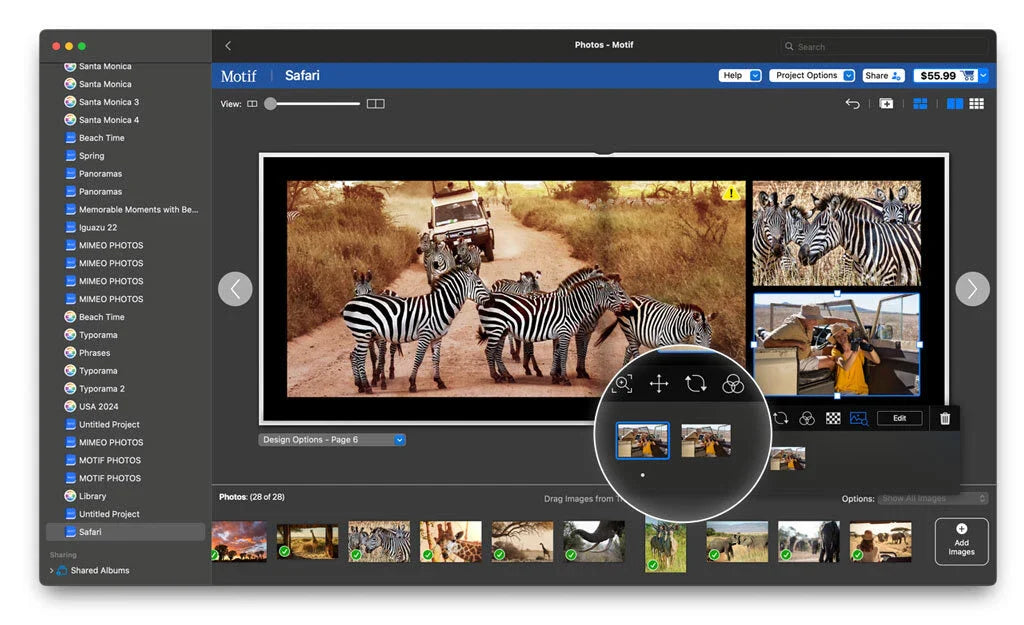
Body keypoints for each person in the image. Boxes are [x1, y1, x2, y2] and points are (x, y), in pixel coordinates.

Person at [763, 305, 855, 373]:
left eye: (816, 319)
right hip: (798, 361)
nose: (816, 323)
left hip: (806, 352)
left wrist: (846, 321)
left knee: (829, 349)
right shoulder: (791, 327)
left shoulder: (809, 320)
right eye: (814, 320)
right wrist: (797, 343)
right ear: (804, 318)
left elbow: (826, 320)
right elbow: (767, 342)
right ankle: (829, 387)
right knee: (831, 362)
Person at [828, 323, 881, 395]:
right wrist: (855, 352)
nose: (841, 337)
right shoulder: (835, 351)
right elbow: (846, 367)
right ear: (836, 339)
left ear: (846, 333)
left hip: (861, 389)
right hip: (842, 390)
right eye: (838, 336)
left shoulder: (858, 348)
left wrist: (870, 348)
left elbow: (877, 361)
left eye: (842, 334)